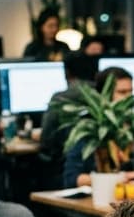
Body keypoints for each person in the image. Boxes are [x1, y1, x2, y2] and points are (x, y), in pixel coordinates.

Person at [62, 66, 134, 187]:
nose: (129, 98)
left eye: (131, 92)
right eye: (122, 92)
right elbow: (71, 178)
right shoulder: (89, 128)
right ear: (104, 95)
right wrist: (117, 179)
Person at [40, 51, 98, 180]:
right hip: (95, 165)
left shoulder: (60, 98)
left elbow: (46, 140)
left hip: (64, 166)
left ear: (67, 73)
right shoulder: (102, 95)